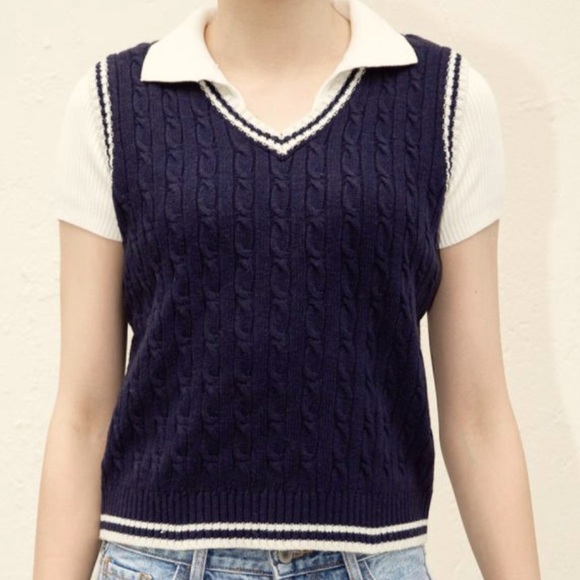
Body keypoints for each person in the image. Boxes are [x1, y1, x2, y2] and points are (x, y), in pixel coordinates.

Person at [34, 0, 542, 578]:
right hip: (157, 560)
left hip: (372, 560)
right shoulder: (112, 105)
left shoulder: (447, 101)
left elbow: (478, 415)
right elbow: (82, 416)